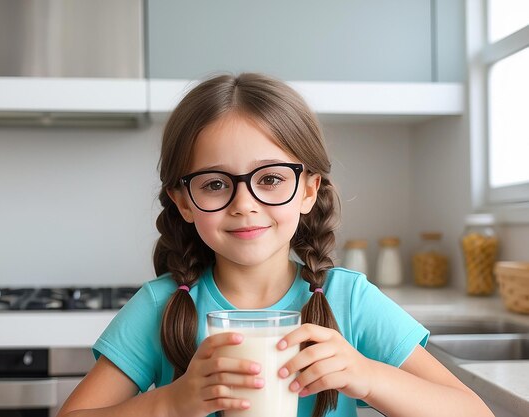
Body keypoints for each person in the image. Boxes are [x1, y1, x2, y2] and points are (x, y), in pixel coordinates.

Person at [57, 73, 493, 417]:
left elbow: (473, 412)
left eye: (270, 179)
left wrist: (365, 375)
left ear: (307, 190)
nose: (245, 205)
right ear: (183, 201)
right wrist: (171, 404)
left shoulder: (350, 300)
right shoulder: (161, 306)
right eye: (214, 184)